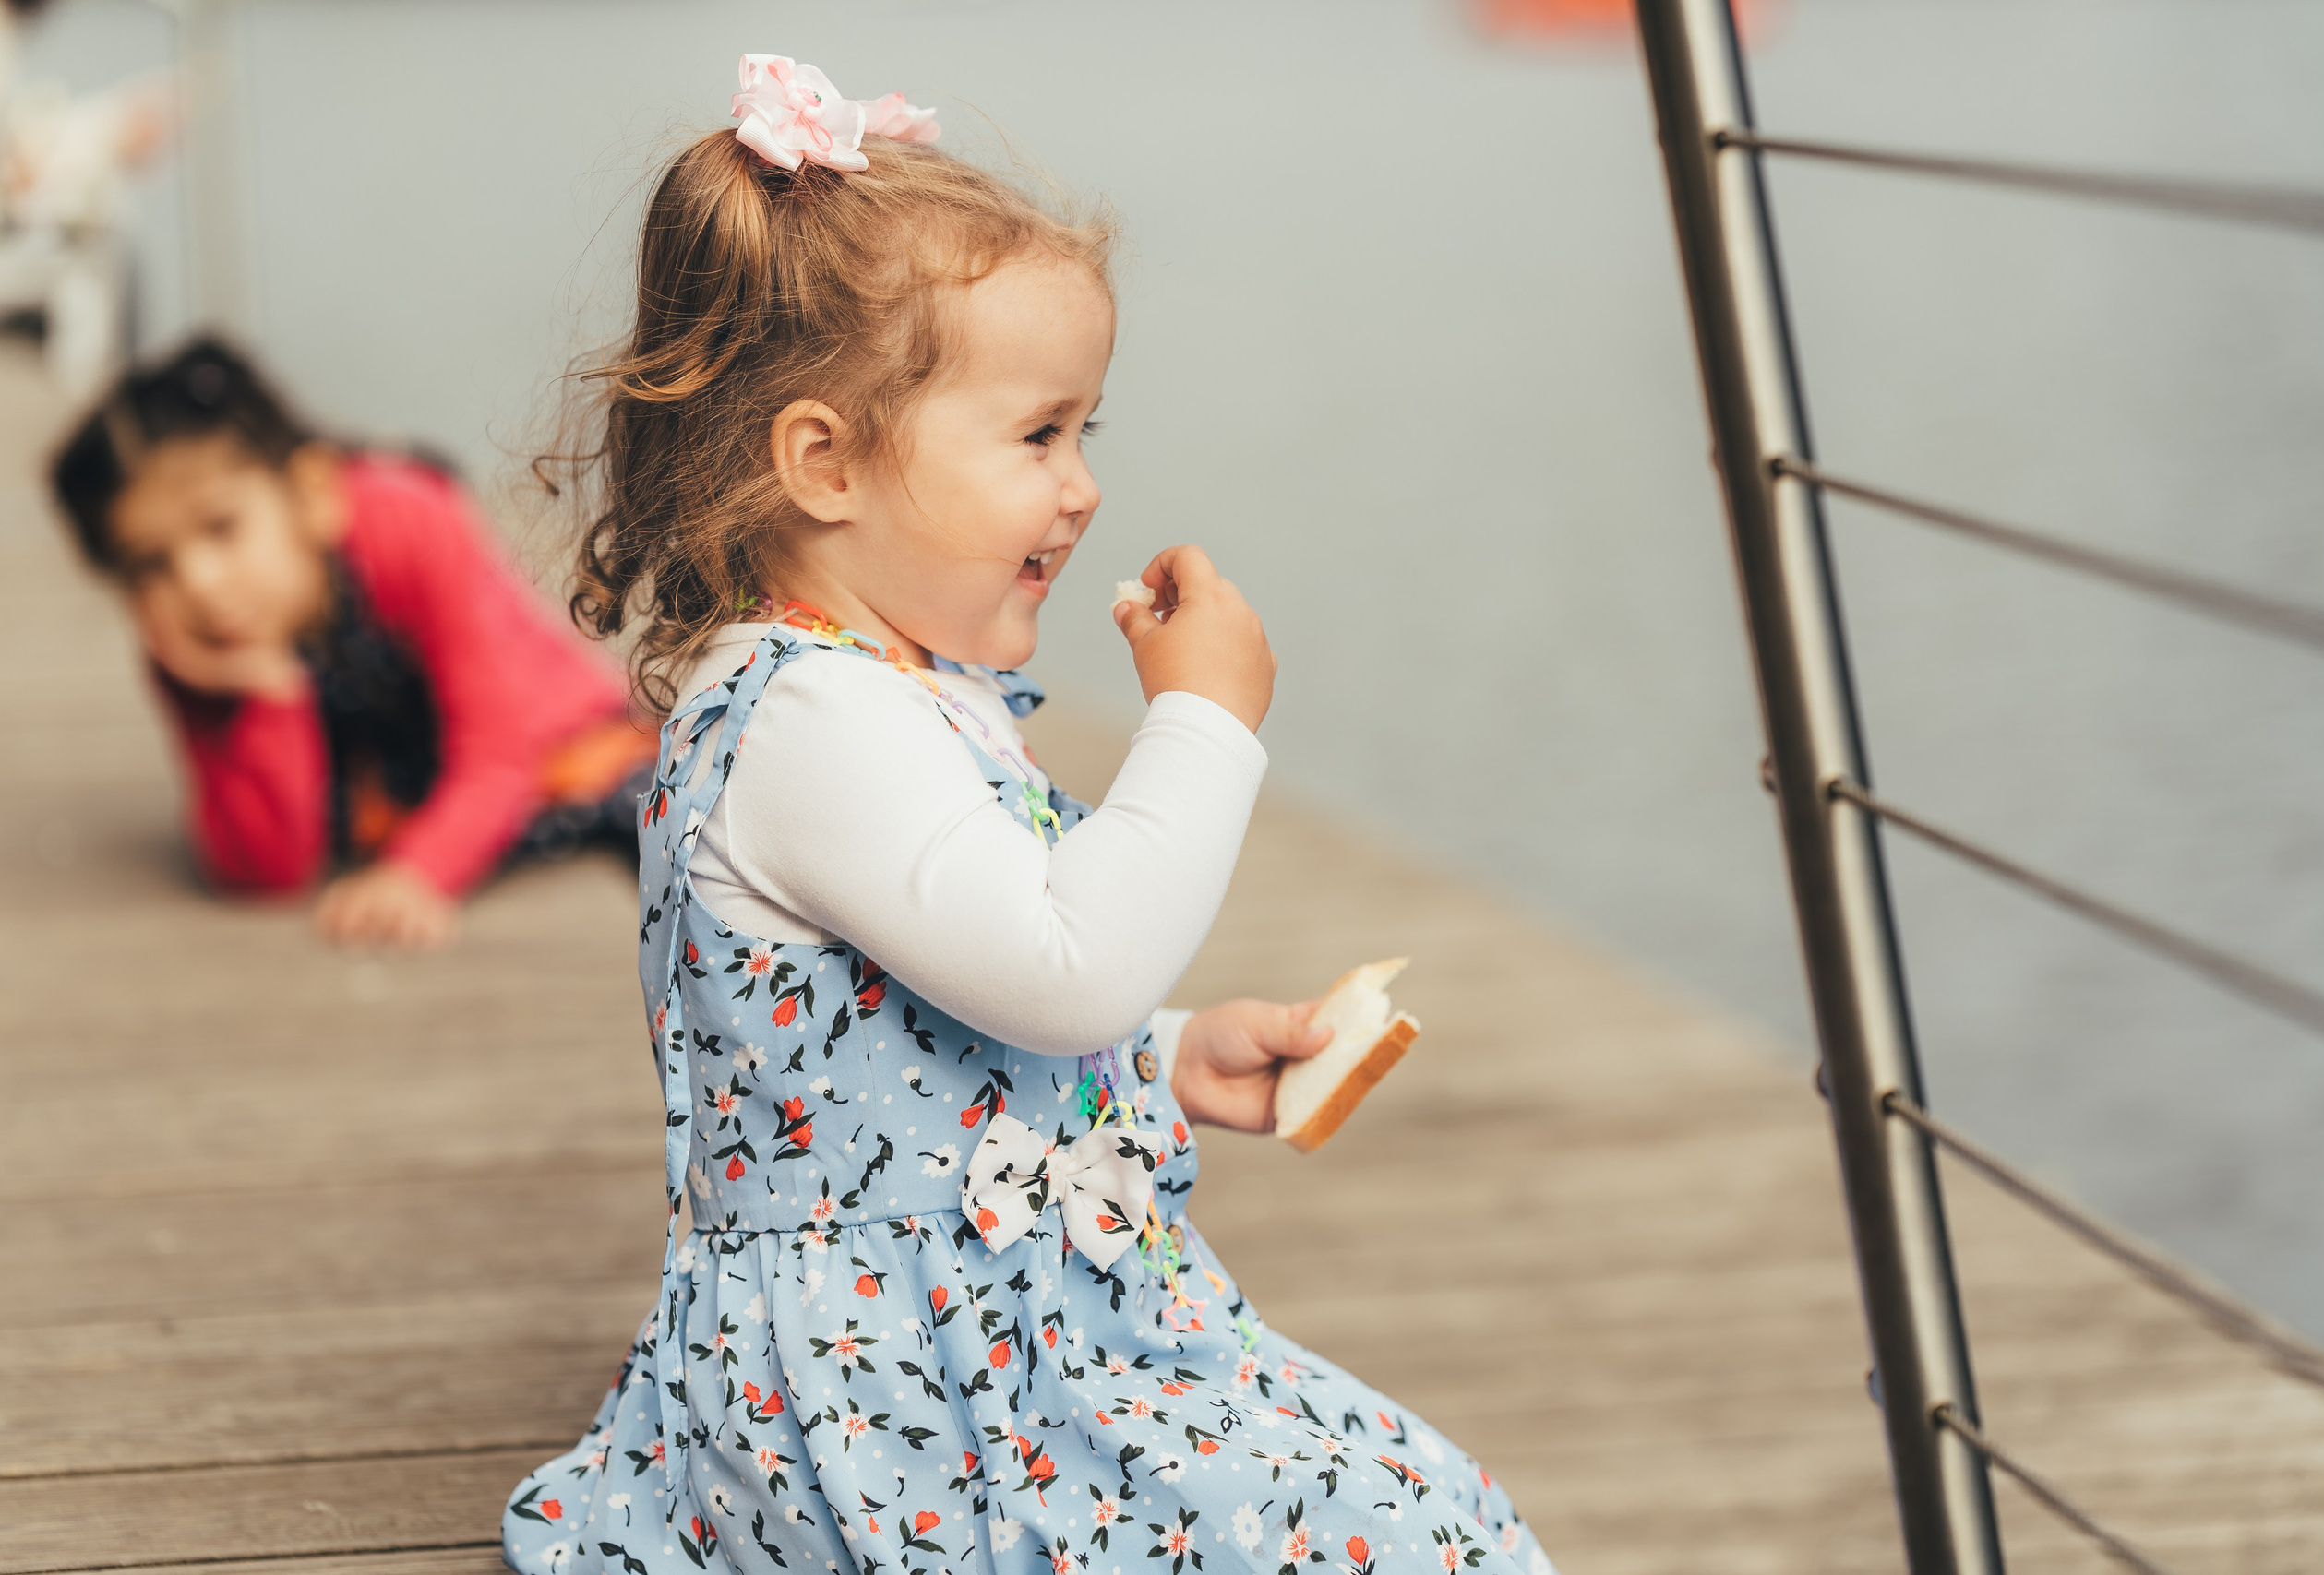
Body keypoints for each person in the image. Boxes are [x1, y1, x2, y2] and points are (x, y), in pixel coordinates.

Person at [503, 54, 1551, 1575]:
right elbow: (1067, 964)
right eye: (1040, 436)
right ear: (826, 461)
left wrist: (1172, 1052)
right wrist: (1203, 721)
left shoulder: (870, 686)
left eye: (1088, 435)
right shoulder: (810, 721)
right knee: (1412, 1534)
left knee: (1399, 1497)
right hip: (912, 1398)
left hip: (981, 1330)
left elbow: (932, 1004)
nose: (1082, 490)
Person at [51, 338, 653, 948]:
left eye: (221, 527)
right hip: (406, 793)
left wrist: (417, 873)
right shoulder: (190, 642)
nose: (198, 583)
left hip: (561, 752)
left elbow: (498, 748)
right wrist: (264, 686)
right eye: (150, 566)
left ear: (311, 492)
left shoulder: (407, 518)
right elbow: (266, 871)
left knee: (670, 827)